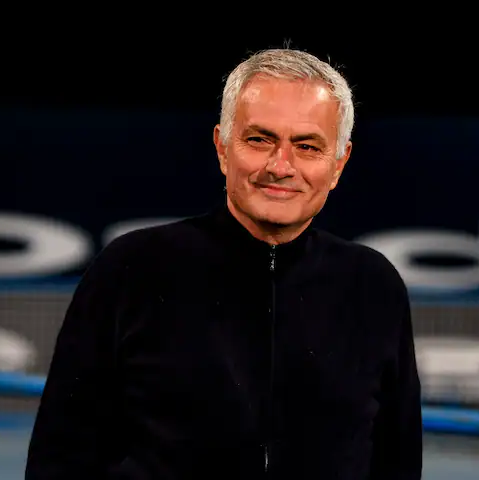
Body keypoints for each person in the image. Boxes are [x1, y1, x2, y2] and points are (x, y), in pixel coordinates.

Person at [25, 48, 423, 479]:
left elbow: (397, 462)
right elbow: (58, 458)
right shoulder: (131, 268)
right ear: (222, 147)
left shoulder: (373, 285)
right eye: (259, 140)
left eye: (307, 146)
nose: (281, 166)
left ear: (339, 163)